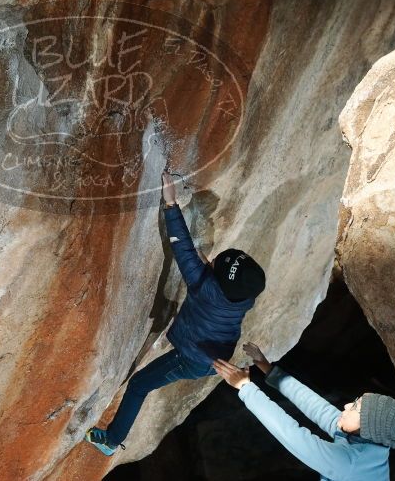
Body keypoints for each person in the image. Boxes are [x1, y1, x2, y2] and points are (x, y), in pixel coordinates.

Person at [84, 168, 266, 455]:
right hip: (214, 354)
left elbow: (182, 250)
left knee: (139, 385)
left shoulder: (205, 287)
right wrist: (213, 269)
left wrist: (170, 203)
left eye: (217, 264)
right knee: (146, 382)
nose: (214, 260)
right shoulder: (244, 298)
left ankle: (110, 441)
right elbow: (215, 278)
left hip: (193, 358)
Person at [213, 342, 395, 480]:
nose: (347, 406)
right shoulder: (366, 440)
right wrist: (268, 368)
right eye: (355, 401)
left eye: (356, 408)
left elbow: (292, 435)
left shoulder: (350, 463)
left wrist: (246, 388)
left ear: (368, 427)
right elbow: (316, 406)